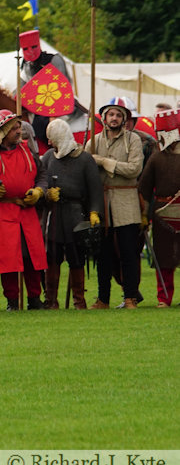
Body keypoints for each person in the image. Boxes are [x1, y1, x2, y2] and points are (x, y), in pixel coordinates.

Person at [0, 109, 48, 311]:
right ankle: (12, 301)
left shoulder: (28, 150)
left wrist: (39, 191)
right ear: (2, 130)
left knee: (32, 257)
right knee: (9, 260)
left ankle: (34, 299)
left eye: (19, 127)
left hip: (27, 210)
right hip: (1, 211)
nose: (19, 131)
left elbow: (42, 174)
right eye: (14, 128)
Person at [40, 119, 104, 309]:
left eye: (52, 138)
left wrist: (94, 212)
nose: (49, 143)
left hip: (75, 215)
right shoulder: (48, 158)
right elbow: (40, 182)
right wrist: (46, 194)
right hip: (53, 214)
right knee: (52, 257)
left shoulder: (84, 159)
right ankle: (51, 300)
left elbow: (95, 190)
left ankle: (79, 300)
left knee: (77, 258)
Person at [86, 100, 143, 309]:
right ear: (104, 118)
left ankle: (130, 297)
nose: (114, 118)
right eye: (111, 115)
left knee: (129, 252)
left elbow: (134, 169)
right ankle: (103, 299)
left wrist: (103, 162)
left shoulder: (134, 140)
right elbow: (85, 168)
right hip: (101, 202)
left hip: (126, 201)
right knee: (103, 255)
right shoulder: (93, 141)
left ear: (124, 119)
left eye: (118, 115)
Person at [139, 108, 180, 307]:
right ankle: (164, 298)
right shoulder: (157, 157)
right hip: (163, 213)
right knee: (163, 259)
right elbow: (145, 189)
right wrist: (144, 215)